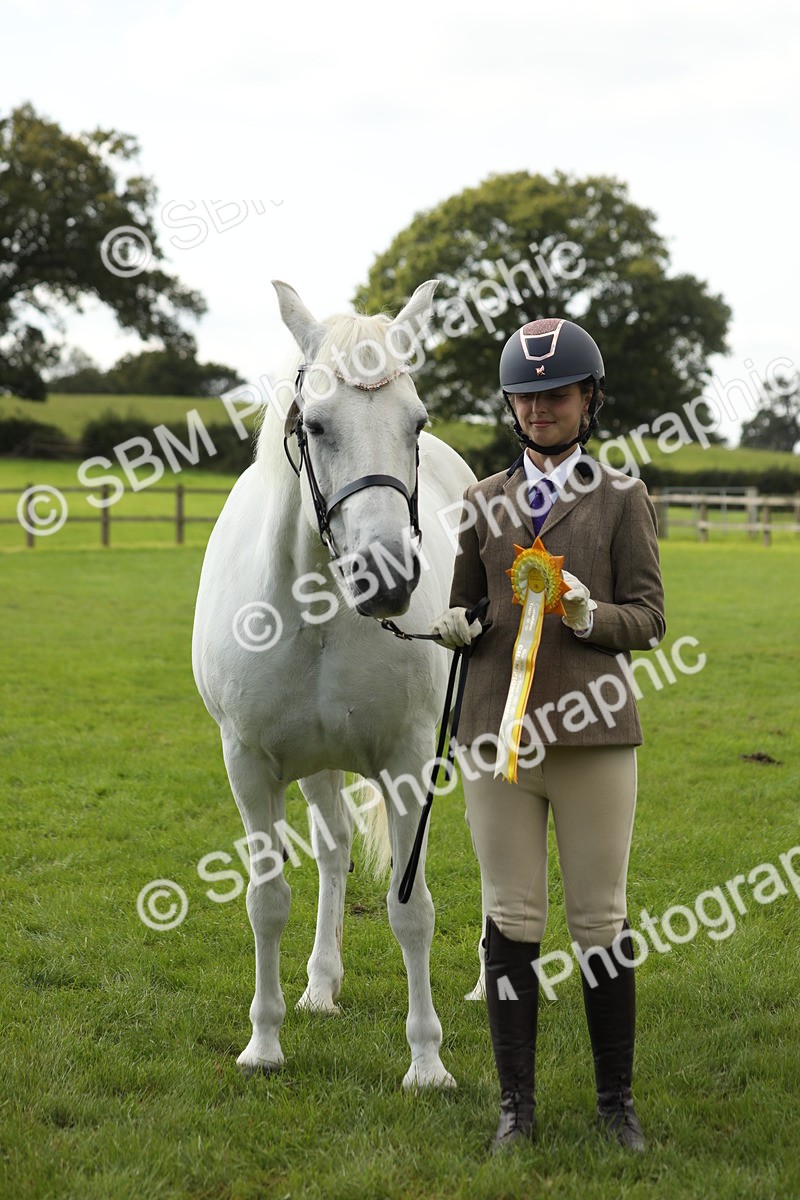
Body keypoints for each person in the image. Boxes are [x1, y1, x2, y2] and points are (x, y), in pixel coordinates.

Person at [431, 317, 666, 1154]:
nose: (540, 409)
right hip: (498, 737)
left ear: (588, 401)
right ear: (512, 407)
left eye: (556, 395)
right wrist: (456, 625)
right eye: (527, 398)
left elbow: (650, 617)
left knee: (600, 918)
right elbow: (469, 603)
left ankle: (615, 1105)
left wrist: (589, 614)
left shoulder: (621, 496)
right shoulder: (481, 501)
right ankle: (515, 1109)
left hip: (594, 735)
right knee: (509, 915)